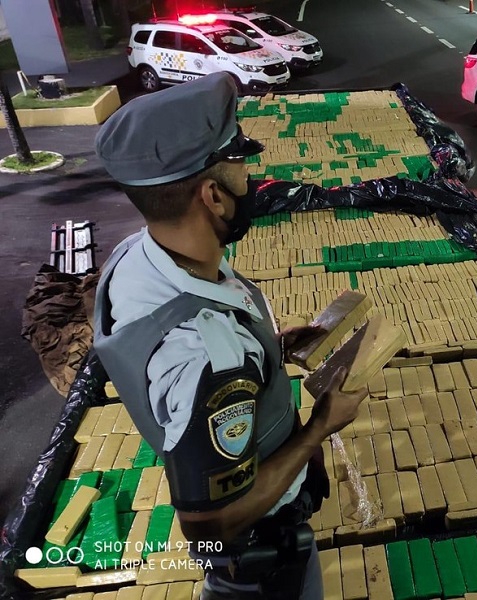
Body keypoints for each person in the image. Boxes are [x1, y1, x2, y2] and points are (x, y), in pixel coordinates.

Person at [92, 72, 368, 599]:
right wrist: (319, 428)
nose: (252, 180)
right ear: (213, 196)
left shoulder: (137, 256)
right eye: (241, 166)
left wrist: (268, 349)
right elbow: (208, 523)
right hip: (258, 558)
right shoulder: (209, 356)